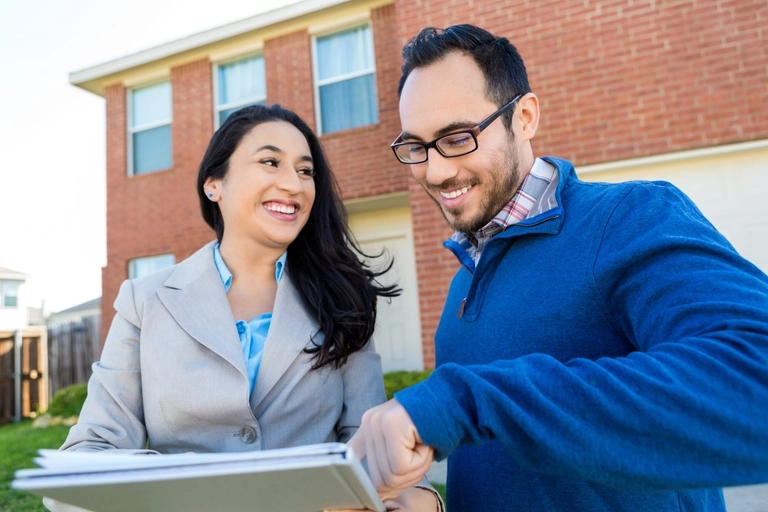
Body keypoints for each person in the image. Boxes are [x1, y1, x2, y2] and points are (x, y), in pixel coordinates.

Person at [348, 24, 768, 511]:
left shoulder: (629, 218)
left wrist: (465, 401)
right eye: (416, 148)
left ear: (524, 117)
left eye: (458, 137)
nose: (436, 171)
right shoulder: (466, 275)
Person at [45, 104, 440, 512]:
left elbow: (369, 439)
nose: (294, 184)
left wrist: (419, 499)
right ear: (214, 183)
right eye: (271, 162)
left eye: (306, 171)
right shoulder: (144, 300)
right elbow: (89, 452)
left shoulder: (344, 299)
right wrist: (193, 486)